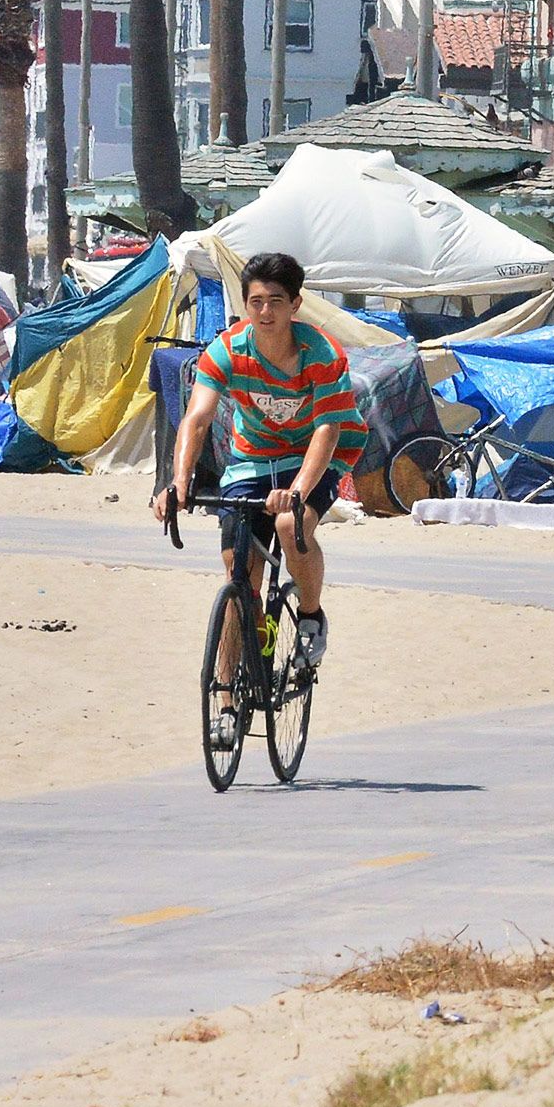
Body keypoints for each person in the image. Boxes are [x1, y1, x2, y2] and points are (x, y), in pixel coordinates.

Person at [153, 252, 367, 751]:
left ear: (295, 304)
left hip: (319, 453)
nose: (265, 312)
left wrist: (296, 493)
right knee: (238, 574)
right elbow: (197, 419)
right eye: (255, 302)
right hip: (253, 458)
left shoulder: (321, 353)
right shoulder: (226, 350)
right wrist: (178, 482)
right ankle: (226, 701)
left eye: (276, 302)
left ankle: (311, 617)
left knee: (295, 527)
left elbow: (327, 429)